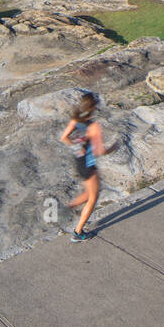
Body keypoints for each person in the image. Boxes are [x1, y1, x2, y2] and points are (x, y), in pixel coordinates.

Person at [60, 92, 115, 242]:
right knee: (93, 198)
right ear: (94, 107)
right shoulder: (94, 126)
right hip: (89, 165)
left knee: (89, 191)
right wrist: (114, 147)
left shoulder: (75, 120)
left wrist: (77, 146)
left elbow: (63, 138)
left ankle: (67, 208)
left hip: (78, 161)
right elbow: (101, 151)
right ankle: (78, 232)